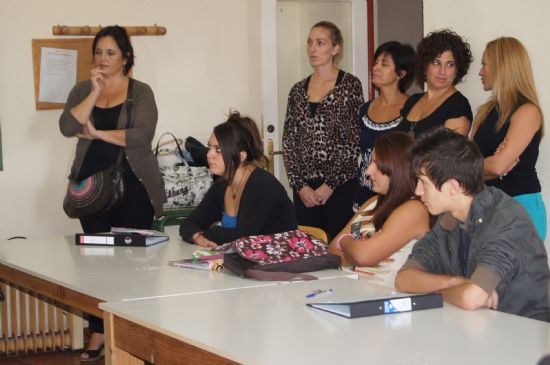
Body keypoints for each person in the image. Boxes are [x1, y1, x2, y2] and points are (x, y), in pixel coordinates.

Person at [59, 26, 165, 361]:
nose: (102, 59)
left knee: (134, 270)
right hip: (93, 190)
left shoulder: (141, 91)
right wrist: (93, 92)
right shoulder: (82, 88)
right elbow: (67, 127)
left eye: (110, 53)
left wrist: (100, 134)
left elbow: (141, 136)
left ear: (126, 57)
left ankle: (137, 338)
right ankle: (100, 335)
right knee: (97, 268)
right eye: (99, 52)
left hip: (133, 187)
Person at [395, 128, 550, 322]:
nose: (418, 191)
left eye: (423, 183)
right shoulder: (449, 220)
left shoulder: (507, 221)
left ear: (453, 186)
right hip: (479, 332)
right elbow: (404, 279)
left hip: (525, 340)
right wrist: (455, 282)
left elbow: (471, 298)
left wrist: (447, 289)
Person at [282, 21, 364, 240]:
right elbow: (289, 141)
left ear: (335, 48)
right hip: (305, 189)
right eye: (309, 43)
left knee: (338, 248)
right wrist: (300, 186)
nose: (312, 49)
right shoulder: (297, 91)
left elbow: (353, 140)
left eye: (320, 43)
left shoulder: (350, 85)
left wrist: (330, 185)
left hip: (340, 186)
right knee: (308, 249)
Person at [179, 111, 297, 247]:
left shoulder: (261, 186)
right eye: (209, 147)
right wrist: (198, 237)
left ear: (241, 156)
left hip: (280, 262)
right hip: (249, 263)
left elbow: (242, 238)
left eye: (218, 149)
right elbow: (188, 224)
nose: (209, 154)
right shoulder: (222, 185)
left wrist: (209, 234)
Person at [329, 132, 429, 286]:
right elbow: (332, 253)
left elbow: (363, 256)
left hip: (386, 294)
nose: (368, 172)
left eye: (377, 164)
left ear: (397, 167)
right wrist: (358, 252)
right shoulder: (373, 203)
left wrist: (345, 241)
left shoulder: (414, 209)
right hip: (353, 287)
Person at [472, 37, 546, 240]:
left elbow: (497, 167)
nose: (480, 72)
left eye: (484, 64)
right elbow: (472, 166)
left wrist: (487, 165)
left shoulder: (527, 111)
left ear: (501, 66)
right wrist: (486, 165)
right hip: (487, 207)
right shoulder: (485, 112)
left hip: (520, 207)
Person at [354, 41, 416, 210]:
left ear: (401, 74)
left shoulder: (413, 109)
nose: (375, 68)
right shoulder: (365, 109)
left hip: (394, 198)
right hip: (363, 193)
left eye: (384, 64)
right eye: (376, 62)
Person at [396, 29, 472, 137]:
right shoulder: (412, 100)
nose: (442, 71)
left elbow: (447, 152)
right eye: (436, 63)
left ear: (457, 70)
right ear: (425, 65)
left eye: (450, 64)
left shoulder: (458, 106)